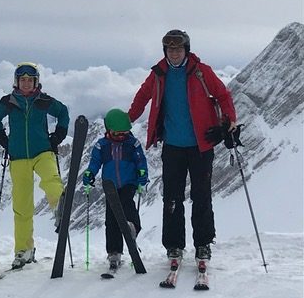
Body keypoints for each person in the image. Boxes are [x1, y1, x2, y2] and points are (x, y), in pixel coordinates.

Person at [128, 29, 237, 263]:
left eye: (178, 49)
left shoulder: (201, 72)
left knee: (202, 196)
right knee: (172, 198)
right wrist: (127, 120)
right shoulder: (158, 74)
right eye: (170, 49)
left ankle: (203, 243)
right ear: (165, 51)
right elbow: (142, 96)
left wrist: (228, 122)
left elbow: (223, 95)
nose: (174, 53)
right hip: (173, 145)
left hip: (201, 145)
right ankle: (174, 246)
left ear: (186, 50)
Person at [0, 62, 70, 269]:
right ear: (17, 82)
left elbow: (63, 112)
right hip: (18, 157)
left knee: (51, 178)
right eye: (22, 80)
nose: (26, 83)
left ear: (36, 82)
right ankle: (24, 250)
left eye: (30, 80)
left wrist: (58, 136)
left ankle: (60, 206)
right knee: (22, 207)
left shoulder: (43, 101)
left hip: (43, 150)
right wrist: (3, 139)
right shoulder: (8, 102)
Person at [82, 108, 149, 269]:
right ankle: (114, 251)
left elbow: (141, 160)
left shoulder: (132, 144)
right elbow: (95, 163)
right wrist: (90, 173)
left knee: (127, 205)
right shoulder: (101, 146)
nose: (121, 136)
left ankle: (132, 227)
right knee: (111, 218)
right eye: (117, 133)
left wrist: (142, 175)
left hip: (128, 183)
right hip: (110, 186)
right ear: (108, 130)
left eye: (124, 133)